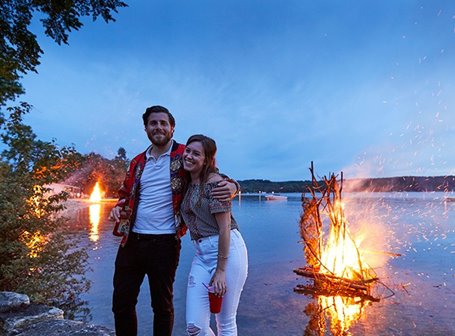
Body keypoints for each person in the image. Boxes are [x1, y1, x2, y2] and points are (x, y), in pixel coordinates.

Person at [109, 106, 238, 336]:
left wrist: (234, 185)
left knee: (162, 306)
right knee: (121, 302)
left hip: (165, 244)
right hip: (132, 242)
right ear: (146, 128)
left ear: (172, 128)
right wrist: (117, 208)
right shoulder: (138, 162)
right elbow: (125, 194)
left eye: (163, 123)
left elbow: (212, 173)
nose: (158, 127)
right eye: (153, 123)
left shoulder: (184, 156)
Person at [181, 134, 248, 336]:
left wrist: (220, 270)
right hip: (201, 255)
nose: (189, 156)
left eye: (196, 153)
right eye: (188, 151)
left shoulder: (216, 184)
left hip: (227, 252)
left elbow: (225, 227)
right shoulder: (186, 181)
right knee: (195, 327)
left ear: (206, 160)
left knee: (225, 322)